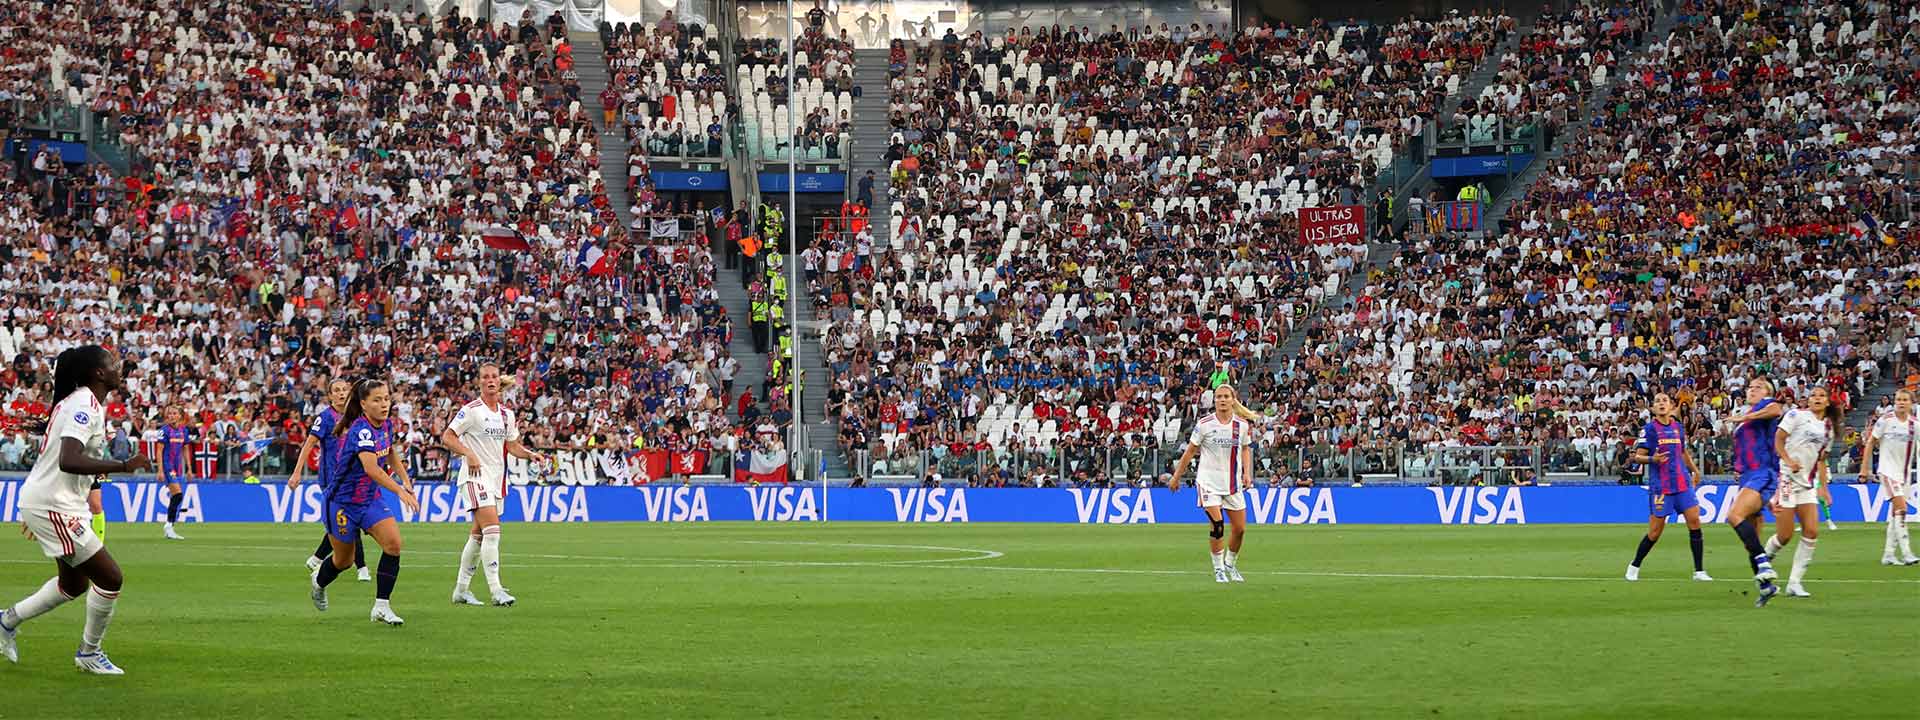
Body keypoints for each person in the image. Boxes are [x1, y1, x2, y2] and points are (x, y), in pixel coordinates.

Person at [0, 345, 151, 673]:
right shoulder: (84, 403)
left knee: (73, 585)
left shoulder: (83, 402)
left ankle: (6, 622)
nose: (117, 367)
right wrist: (124, 465)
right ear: (98, 373)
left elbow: (59, 459)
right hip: (55, 505)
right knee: (110, 578)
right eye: (111, 363)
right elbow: (69, 459)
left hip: (53, 503)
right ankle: (89, 653)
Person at [310, 378, 419, 626]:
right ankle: (318, 582)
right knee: (344, 561)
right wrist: (400, 491)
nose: (384, 404)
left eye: (387, 398)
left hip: (369, 500)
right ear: (363, 404)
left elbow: (389, 452)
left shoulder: (386, 425)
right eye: (377, 400)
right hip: (341, 503)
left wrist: (405, 479)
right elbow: (372, 468)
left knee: (393, 545)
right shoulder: (361, 430)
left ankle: (382, 606)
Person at [440, 365, 547, 607]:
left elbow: (513, 445)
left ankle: (461, 590)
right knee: (493, 532)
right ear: (479, 382)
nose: (490, 380)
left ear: (499, 382)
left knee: (478, 536)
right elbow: (448, 436)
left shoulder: (507, 415)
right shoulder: (471, 411)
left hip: (496, 480)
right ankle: (496, 590)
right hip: (474, 477)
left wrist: (531, 455)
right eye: (485, 377)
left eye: (493, 377)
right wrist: (469, 454)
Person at [1169, 385, 1254, 583]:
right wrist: (1176, 477)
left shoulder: (1241, 425)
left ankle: (1230, 564)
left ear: (1233, 399)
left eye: (1226, 396)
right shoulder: (1204, 424)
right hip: (1208, 482)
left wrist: (1246, 474)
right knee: (1217, 525)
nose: (1222, 400)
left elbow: (1245, 449)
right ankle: (1218, 570)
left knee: (1240, 529)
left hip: (1232, 484)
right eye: (1218, 397)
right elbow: (1190, 452)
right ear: (1214, 400)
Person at [1624, 392, 1711, 582]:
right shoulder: (1649, 430)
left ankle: (1699, 571)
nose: (1661, 403)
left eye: (1665, 400)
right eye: (1657, 401)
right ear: (1653, 408)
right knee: (1655, 532)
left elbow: (1682, 452)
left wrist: (1695, 470)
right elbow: (1637, 456)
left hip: (1682, 483)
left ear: (1671, 406)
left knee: (1695, 521)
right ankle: (1634, 565)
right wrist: (1652, 459)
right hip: (1661, 486)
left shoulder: (1677, 427)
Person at [290, 378, 369, 582]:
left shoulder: (357, 418)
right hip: (332, 482)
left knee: (347, 523)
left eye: (345, 389)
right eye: (337, 390)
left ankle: (317, 559)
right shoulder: (325, 418)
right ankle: (361, 567)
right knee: (351, 522)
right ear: (330, 396)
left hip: (353, 479)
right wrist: (297, 472)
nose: (342, 393)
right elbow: (309, 444)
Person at [1767, 387, 1842, 597]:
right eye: (1813, 396)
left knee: (1811, 531)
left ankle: (1794, 583)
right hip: (1787, 479)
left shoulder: (1829, 429)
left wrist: (1824, 488)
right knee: (1785, 535)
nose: (1816, 399)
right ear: (1807, 400)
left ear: (1827, 402)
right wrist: (1789, 461)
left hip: (1808, 483)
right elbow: (1778, 440)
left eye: (1821, 396)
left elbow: (1821, 460)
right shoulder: (1796, 415)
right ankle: (1763, 561)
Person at [1722, 378, 1788, 607]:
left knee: (1733, 516)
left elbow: (1776, 408)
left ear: (1767, 392)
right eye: (1750, 387)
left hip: (1762, 474)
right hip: (1750, 477)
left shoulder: (1764, 406)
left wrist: (1744, 417)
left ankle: (1765, 565)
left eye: (1758, 387)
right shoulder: (1748, 416)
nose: (1752, 389)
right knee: (1752, 541)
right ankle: (1766, 587)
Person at [1861, 388, 1918, 565]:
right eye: (1898, 399)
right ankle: (1907, 552)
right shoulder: (1886, 420)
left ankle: (1888, 554)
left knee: (1895, 513)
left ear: (1911, 404)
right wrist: (1865, 467)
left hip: (1904, 474)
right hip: (1887, 470)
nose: (1901, 402)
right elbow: (1871, 442)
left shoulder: (1915, 424)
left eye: (1904, 400)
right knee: (1901, 509)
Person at [157, 407, 193, 540]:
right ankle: (168, 525)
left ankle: (169, 526)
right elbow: (159, 451)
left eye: (174, 413)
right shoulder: (164, 431)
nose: (171, 416)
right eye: (169, 414)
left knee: (176, 496)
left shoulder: (184, 430)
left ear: (180, 416)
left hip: (177, 467)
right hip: (167, 466)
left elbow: (186, 450)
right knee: (178, 495)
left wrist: (189, 469)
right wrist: (160, 470)